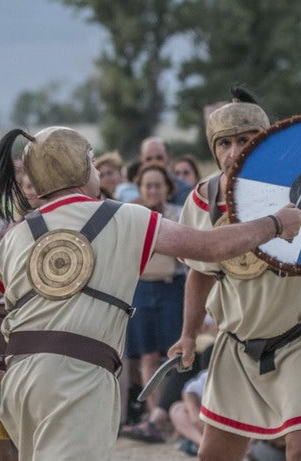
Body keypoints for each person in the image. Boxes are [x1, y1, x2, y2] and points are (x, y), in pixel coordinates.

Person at [0, 125, 301, 460]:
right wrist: (275, 224)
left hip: (21, 381)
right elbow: (209, 247)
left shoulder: (16, 236)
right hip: (78, 377)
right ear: (83, 168)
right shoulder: (126, 217)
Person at [168, 88, 301, 461]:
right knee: (214, 456)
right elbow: (200, 273)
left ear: (264, 142)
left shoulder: (300, 189)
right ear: (213, 149)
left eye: (245, 140)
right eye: (225, 142)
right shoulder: (203, 199)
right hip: (239, 344)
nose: (234, 152)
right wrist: (187, 334)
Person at [120, 162, 187, 442]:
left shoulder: (178, 215)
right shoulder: (131, 215)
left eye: (157, 185)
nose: (152, 190)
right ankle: (153, 419)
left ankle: (171, 415)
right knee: (146, 356)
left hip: (172, 287)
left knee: (177, 356)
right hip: (141, 288)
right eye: (147, 185)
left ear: (167, 188)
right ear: (140, 187)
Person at [139, 136, 191, 205]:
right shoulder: (134, 189)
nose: (154, 162)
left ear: (168, 157)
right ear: (141, 160)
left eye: (159, 158)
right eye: (149, 159)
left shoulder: (184, 190)